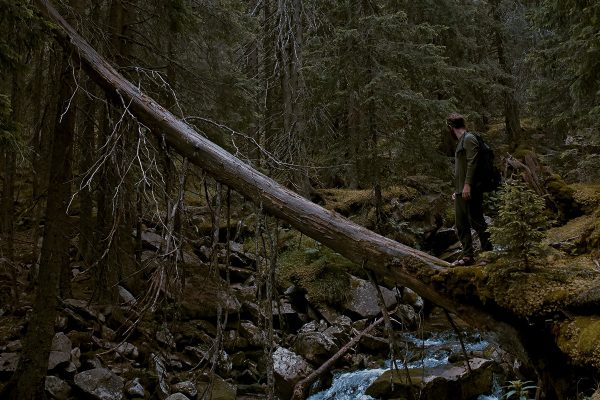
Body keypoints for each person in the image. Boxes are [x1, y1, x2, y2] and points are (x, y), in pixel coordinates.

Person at [447, 113, 492, 266]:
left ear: (451, 127)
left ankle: (488, 253)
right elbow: (462, 168)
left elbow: (473, 163)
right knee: (461, 224)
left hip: (471, 189)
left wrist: (467, 185)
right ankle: (468, 256)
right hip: (461, 190)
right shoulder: (461, 142)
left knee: (477, 221)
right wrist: (458, 189)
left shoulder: (469, 139)